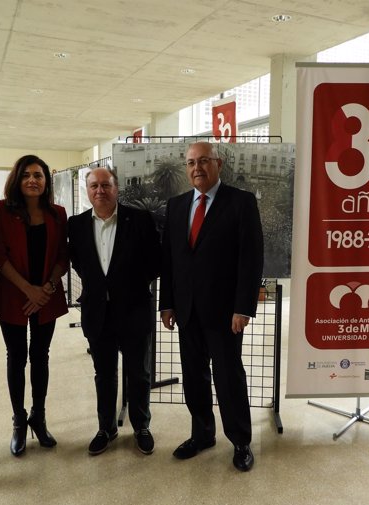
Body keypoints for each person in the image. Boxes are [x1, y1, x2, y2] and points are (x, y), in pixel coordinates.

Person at [160, 142, 264, 472]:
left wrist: (243, 307)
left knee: (228, 377)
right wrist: (167, 303)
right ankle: (202, 434)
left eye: (203, 161)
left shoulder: (241, 202)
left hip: (225, 313)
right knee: (194, 377)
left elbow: (251, 259)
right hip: (186, 311)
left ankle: (241, 441)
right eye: (191, 163)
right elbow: (170, 260)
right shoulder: (176, 206)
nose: (196, 168)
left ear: (218, 163)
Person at [68, 166, 161, 456]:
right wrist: (100, 287)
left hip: (134, 310)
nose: (100, 191)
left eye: (105, 185)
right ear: (87, 190)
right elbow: (78, 263)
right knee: (104, 374)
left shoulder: (140, 219)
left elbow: (155, 262)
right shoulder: (77, 224)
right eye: (94, 186)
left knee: (139, 373)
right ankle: (106, 428)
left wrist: (127, 285)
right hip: (98, 314)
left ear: (116, 188)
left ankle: (141, 427)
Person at [0, 155, 69, 457]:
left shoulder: (58, 213)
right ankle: (19, 421)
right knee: (16, 357)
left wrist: (46, 288)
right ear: (17, 180)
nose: (33, 180)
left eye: (38, 175)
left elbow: (63, 255)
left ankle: (39, 415)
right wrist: (28, 291)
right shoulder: (1, 210)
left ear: (47, 181)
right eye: (26, 175)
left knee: (41, 356)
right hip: (14, 296)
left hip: (47, 297)